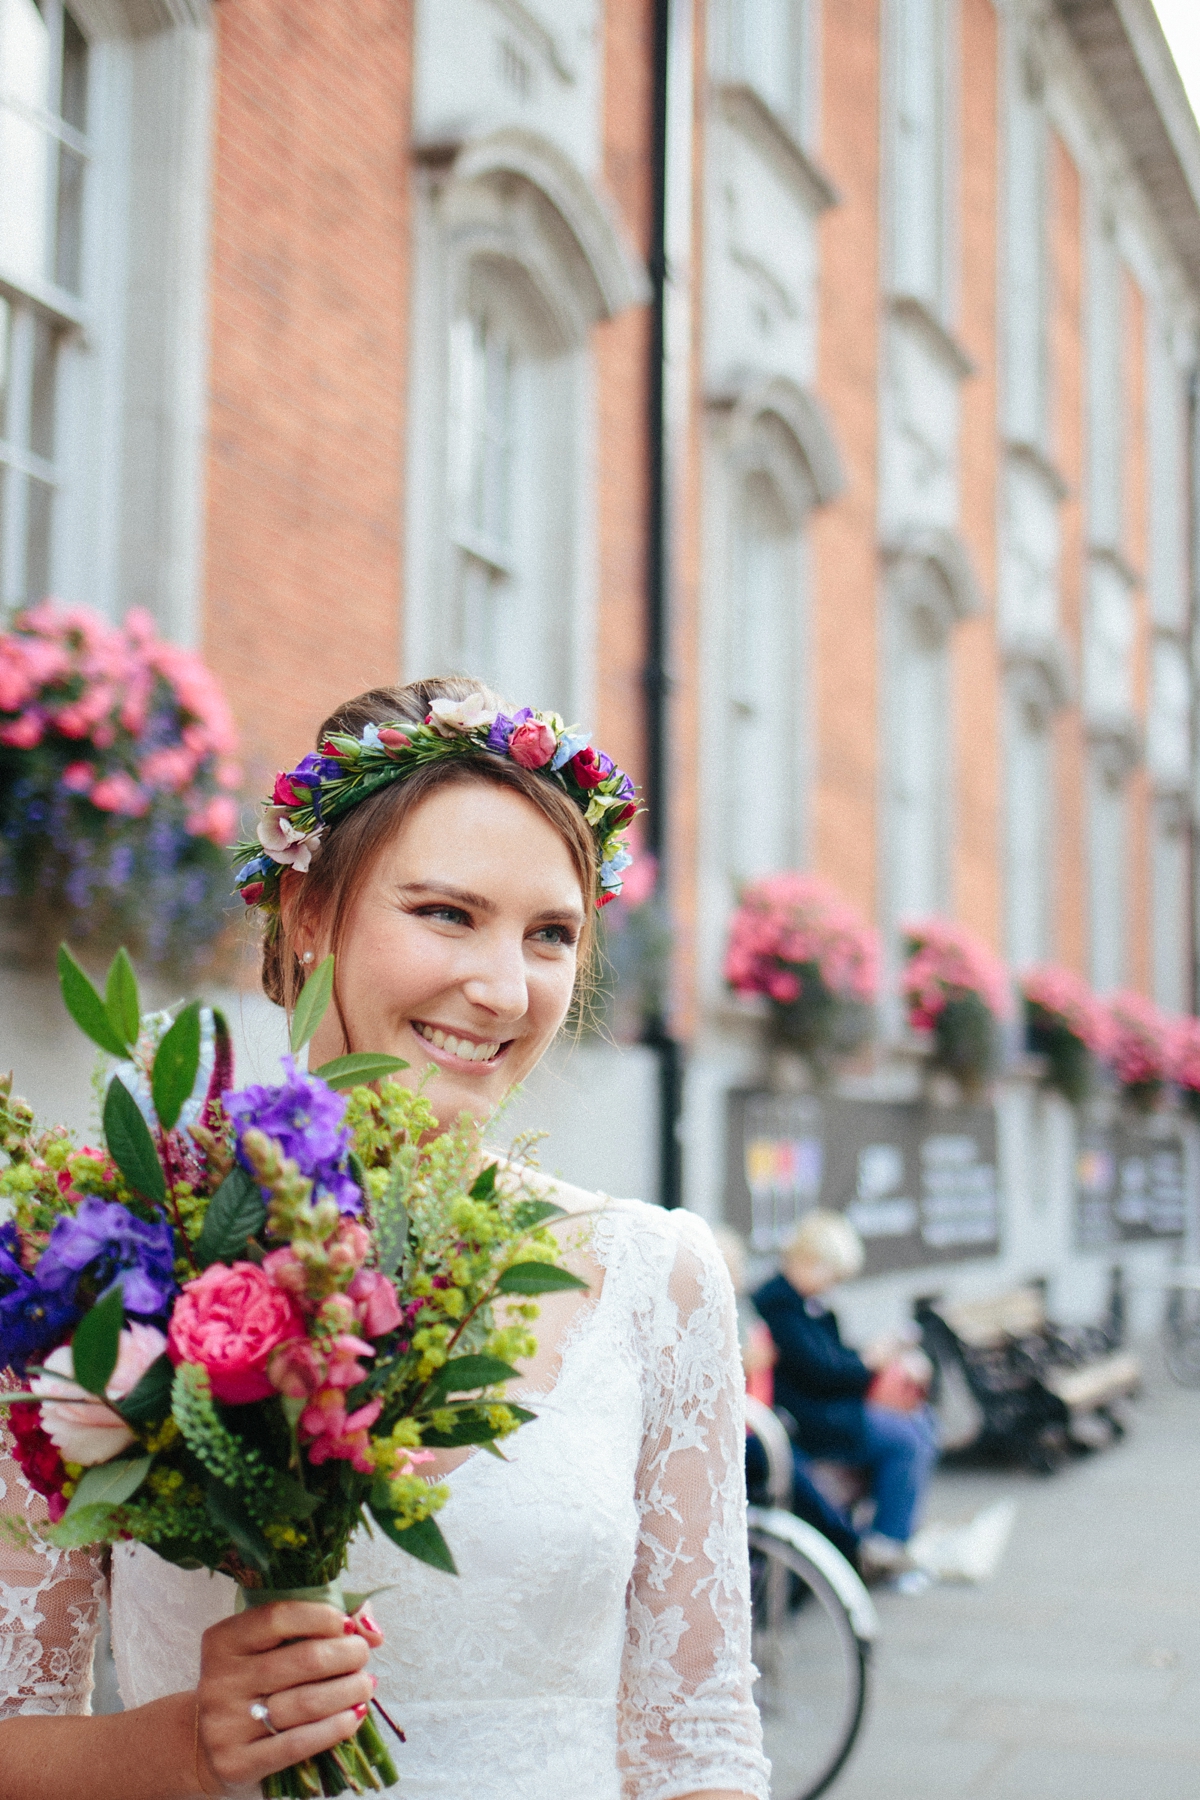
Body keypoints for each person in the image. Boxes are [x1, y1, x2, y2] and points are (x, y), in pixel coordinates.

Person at [0, 676, 770, 1800]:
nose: (504, 989)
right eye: (447, 913)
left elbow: (700, 1737)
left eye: (551, 934)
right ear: (310, 914)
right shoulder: (113, 1266)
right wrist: (180, 1745)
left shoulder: (661, 1280)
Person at [752, 1211, 937, 1579]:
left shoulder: (799, 1302)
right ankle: (885, 1544)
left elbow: (829, 1361)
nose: (832, 1284)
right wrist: (870, 1361)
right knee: (904, 1438)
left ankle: (891, 1535)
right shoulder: (780, 1307)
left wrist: (871, 1359)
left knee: (920, 1424)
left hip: (825, 1408)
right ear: (808, 1261)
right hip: (812, 1418)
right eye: (831, 1275)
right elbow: (823, 1371)